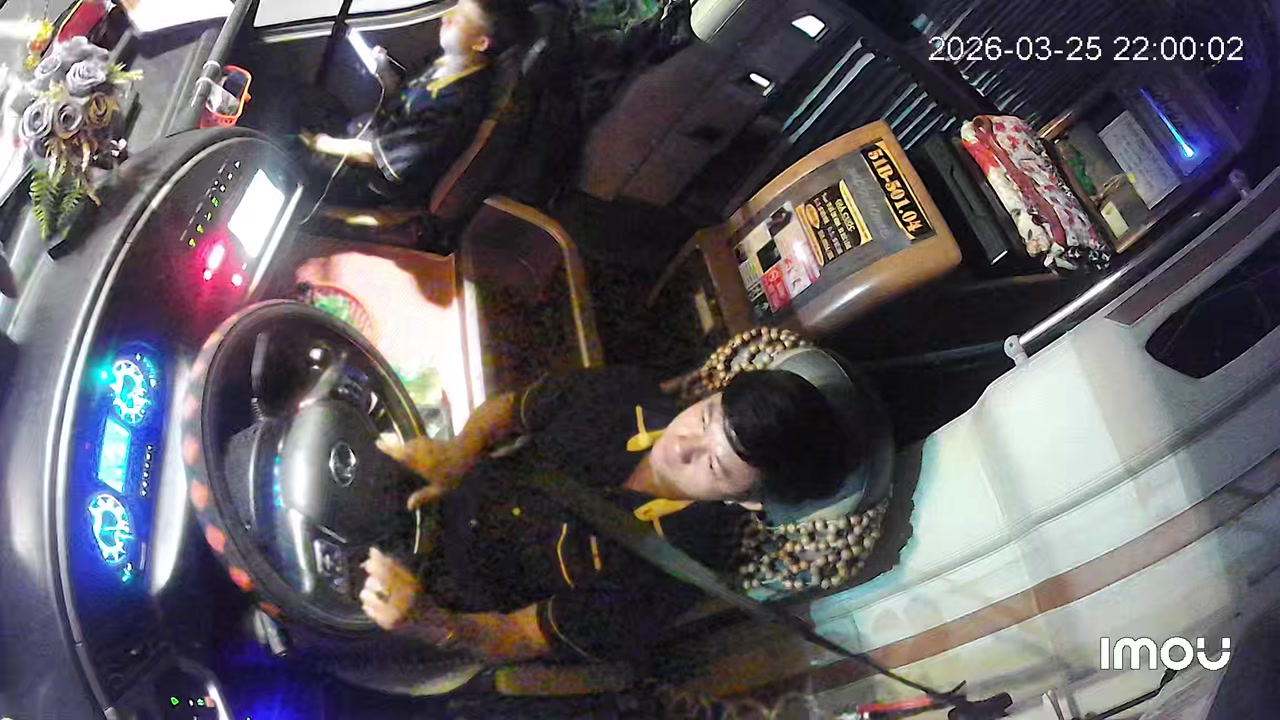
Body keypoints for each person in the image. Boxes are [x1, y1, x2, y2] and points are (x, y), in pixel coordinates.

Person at [359, 364, 852, 666]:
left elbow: (518, 637)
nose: (683, 446)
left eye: (714, 465)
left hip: (443, 599)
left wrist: (428, 621)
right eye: (704, 417)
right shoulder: (622, 393)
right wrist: (458, 454)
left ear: (747, 501)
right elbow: (507, 411)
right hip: (434, 496)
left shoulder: (674, 573)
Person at [300, 0, 530, 207]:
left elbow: (376, 158)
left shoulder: (458, 103)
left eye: (459, 18)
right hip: (364, 134)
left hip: (370, 182)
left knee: (290, 150)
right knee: (305, 100)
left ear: (480, 42)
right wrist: (384, 72)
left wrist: (322, 143)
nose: (446, 17)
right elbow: (406, 101)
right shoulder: (446, 61)